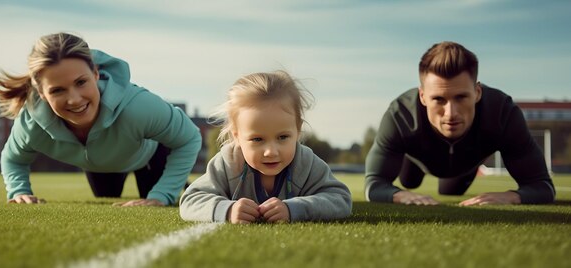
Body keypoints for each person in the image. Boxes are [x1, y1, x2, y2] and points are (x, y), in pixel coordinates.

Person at [0, 32, 202, 206]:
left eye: (81, 82)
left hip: (147, 156)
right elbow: (13, 159)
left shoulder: (138, 107)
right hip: (100, 164)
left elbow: (189, 138)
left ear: (95, 73)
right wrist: (18, 192)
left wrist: (162, 195)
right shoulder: (30, 123)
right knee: (104, 196)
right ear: (41, 92)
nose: (74, 100)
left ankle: (172, 184)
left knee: (153, 199)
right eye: (57, 90)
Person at [365, 41, 556, 206]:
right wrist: (399, 195)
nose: (451, 113)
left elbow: (543, 186)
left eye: (461, 97)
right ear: (422, 96)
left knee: (451, 191)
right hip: (417, 156)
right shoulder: (400, 115)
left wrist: (512, 196)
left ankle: (462, 171)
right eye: (439, 99)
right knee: (409, 182)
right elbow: (374, 184)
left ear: (477, 93)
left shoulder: (503, 113)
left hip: (467, 161)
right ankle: (413, 165)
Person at [179, 71, 352, 223]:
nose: (271, 151)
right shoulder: (228, 163)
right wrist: (228, 210)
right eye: (257, 139)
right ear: (237, 136)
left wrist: (294, 209)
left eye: (283, 137)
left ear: (298, 131)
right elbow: (190, 200)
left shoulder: (306, 162)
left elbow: (341, 199)